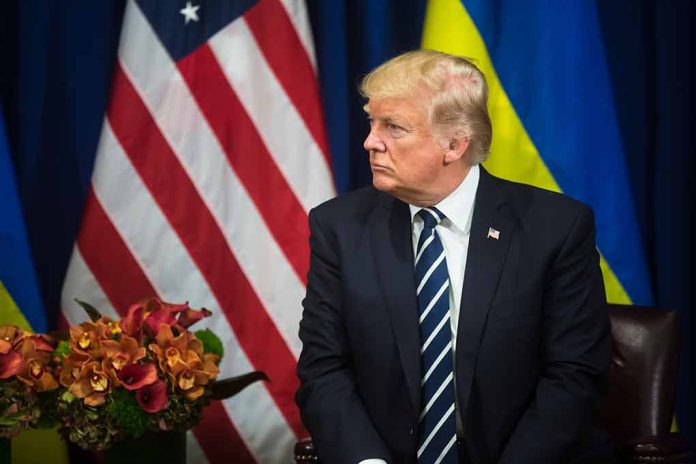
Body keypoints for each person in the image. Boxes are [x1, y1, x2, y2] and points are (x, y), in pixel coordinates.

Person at [296, 49, 613, 464]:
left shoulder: (555, 228)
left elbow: (575, 376)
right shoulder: (339, 227)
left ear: (454, 145)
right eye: (372, 123)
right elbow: (323, 369)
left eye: (393, 127)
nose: (370, 142)